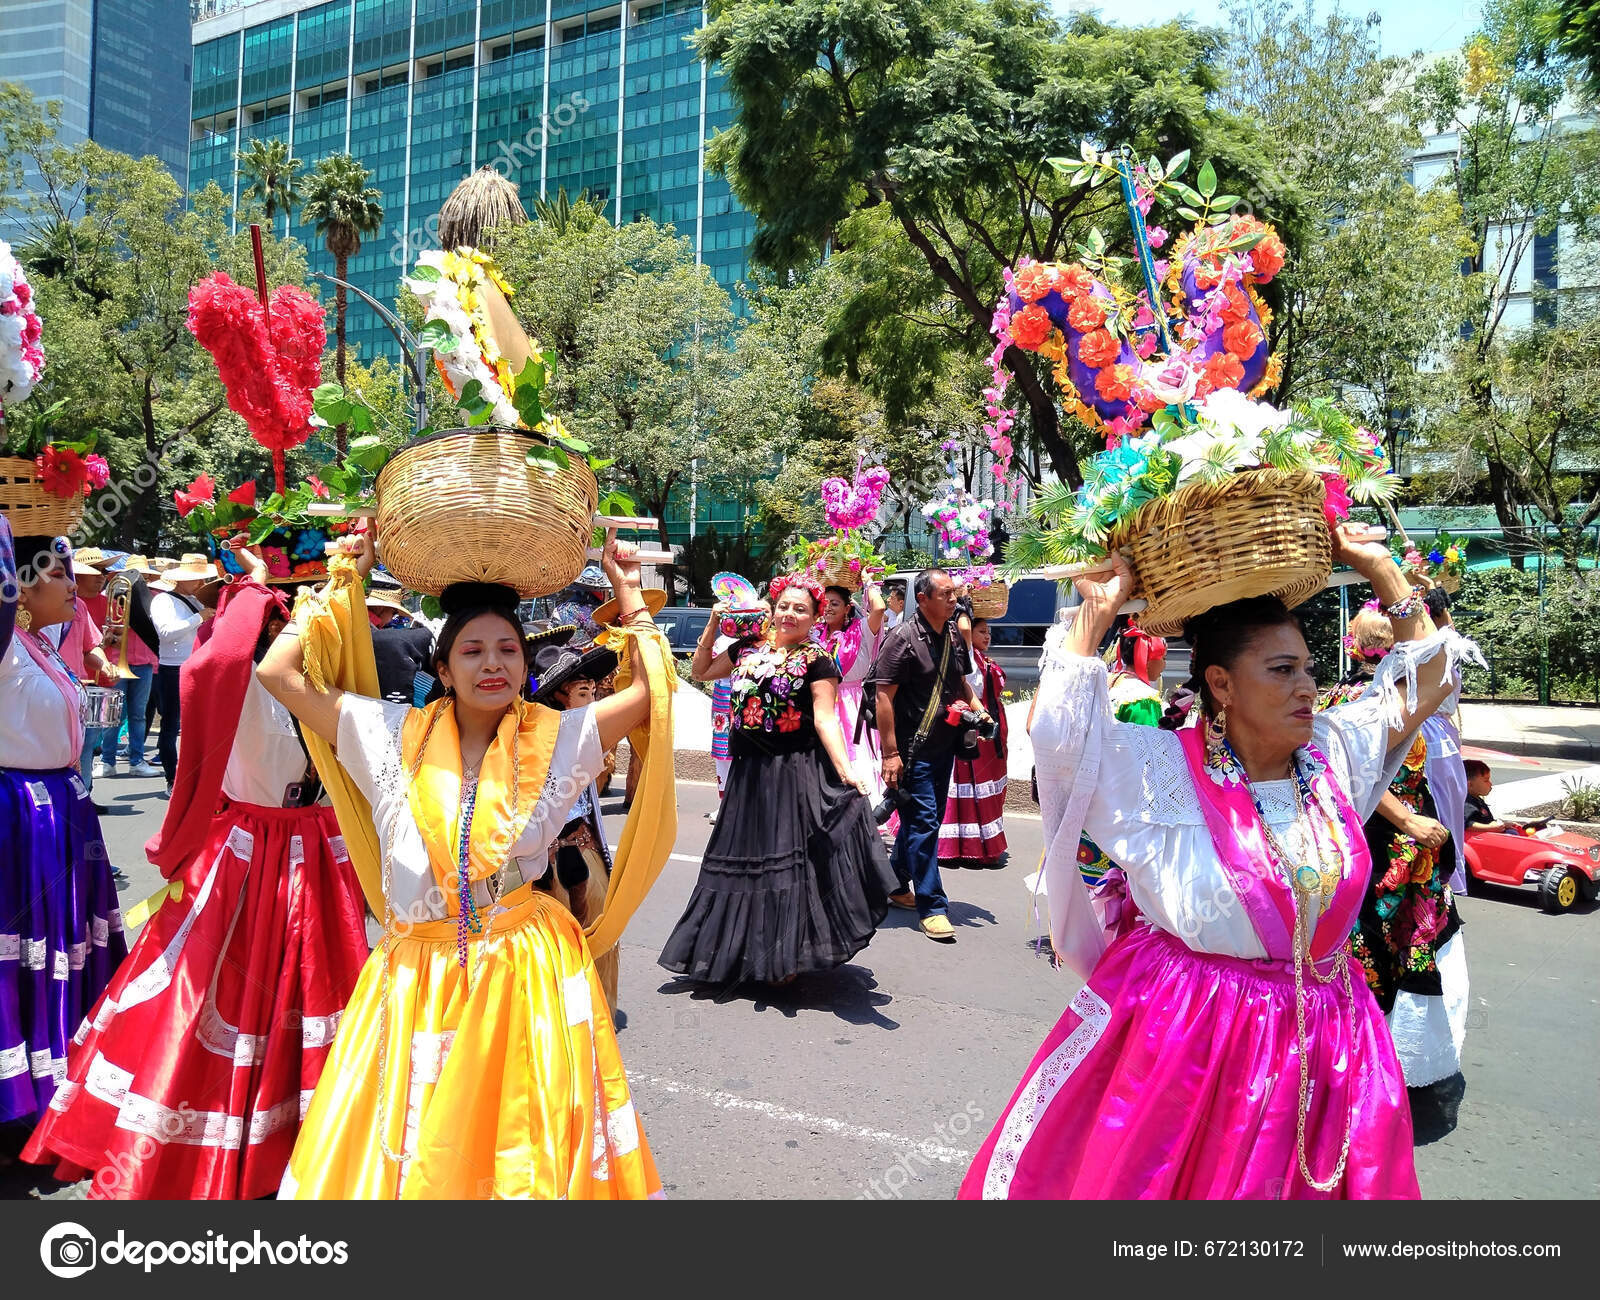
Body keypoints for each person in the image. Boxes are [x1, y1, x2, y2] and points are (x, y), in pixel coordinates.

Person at [961, 525, 1477, 1199]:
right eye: (1283, 670)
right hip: (1194, 1034)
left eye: (1310, 670)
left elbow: (1431, 682)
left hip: (1331, 1035)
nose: (1307, 689)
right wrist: (1101, 610)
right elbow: (1061, 735)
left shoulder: (1331, 756)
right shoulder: (1158, 770)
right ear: (1221, 684)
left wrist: (1379, 566)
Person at [259, 531, 671, 1199]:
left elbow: (655, 695)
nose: (493, 664)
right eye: (472, 651)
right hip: (416, 970)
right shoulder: (388, 734)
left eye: (508, 650)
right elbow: (276, 674)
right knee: (416, 1140)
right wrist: (344, 580)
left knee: (520, 1142)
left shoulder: (560, 737)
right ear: (443, 670)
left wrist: (628, 594)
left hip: (522, 966)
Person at [21, 540, 371, 1198]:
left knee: (317, 991)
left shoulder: (338, 668)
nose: (294, 612)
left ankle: (311, 1135)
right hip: (248, 851)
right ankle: (212, 1138)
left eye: (303, 601)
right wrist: (255, 590)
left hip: (321, 850)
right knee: (215, 998)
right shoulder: (230, 665)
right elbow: (223, 661)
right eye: (285, 605)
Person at [662, 571, 898, 986]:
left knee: (784, 866)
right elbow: (700, 672)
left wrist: (846, 769)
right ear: (772, 609)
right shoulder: (745, 649)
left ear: (814, 618)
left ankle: (783, 956)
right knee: (744, 861)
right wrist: (714, 622)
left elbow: (825, 718)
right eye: (785, 606)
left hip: (794, 769)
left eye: (801, 610)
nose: (790, 614)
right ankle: (743, 949)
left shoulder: (818, 660)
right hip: (748, 774)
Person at [0, 530, 128, 1138]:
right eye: (56, 572)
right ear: (18, 587)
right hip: (23, 811)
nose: (72, 582)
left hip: (62, 807)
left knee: (66, 942)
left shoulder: (40, 645)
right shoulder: (4, 646)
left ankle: (62, 1074)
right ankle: (21, 1098)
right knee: (29, 949)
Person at [1323, 606, 1470, 1092]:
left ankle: (1384, 1060)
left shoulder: (1404, 696)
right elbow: (1352, 770)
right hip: (1386, 842)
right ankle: (1368, 1062)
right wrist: (1406, 818)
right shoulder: (1362, 699)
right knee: (1378, 944)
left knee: (1400, 944)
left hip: (1409, 845)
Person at [869, 568, 991, 942]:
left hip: (944, 746)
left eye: (954, 594)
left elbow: (959, 682)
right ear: (922, 599)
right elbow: (883, 697)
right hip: (910, 751)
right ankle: (932, 906)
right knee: (924, 823)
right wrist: (890, 755)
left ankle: (891, 882)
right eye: (946, 595)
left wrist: (978, 709)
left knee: (926, 821)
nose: (954, 600)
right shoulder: (901, 640)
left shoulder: (954, 635)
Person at [530, 635, 622, 1015]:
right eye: (582, 691)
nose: (592, 699)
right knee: (552, 946)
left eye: (592, 691)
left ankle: (593, 1013)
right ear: (559, 697)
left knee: (597, 934)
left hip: (585, 848)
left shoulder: (589, 737)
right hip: (546, 862)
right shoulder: (535, 739)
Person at [938, 616, 1010, 866]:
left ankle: (979, 844)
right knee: (967, 786)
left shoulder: (982, 659)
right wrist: (965, 602)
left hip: (990, 729)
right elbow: (965, 627)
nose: (987, 636)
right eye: (982, 631)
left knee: (985, 788)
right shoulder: (966, 655)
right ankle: (962, 847)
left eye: (989, 631)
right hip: (971, 728)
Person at [149, 553, 219, 795]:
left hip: (198, 666)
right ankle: (172, 778)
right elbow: (166, 632)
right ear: (180, 579)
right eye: (196, 579)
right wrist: (198, 618)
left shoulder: (197, 602)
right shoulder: (163, 601)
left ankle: (195, 777)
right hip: (173, 669)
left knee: (198, 726)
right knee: (170, 725)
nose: (201, 584)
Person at [818, 581, 889, 801]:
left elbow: (878, 608)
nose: (828, 608)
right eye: (825, 603)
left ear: (848, 608)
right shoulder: (815, 633)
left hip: (851, 702)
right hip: (821, 700)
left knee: (854, 753)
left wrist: (867, 582)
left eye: (835, 603)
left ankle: (861, 807)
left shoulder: (862, 631)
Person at [100, 555, 162, 778]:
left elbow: (158, 633)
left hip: (144, 663)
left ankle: (137, 761)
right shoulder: (114, 595)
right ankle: (107, 761)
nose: (142, 579)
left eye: (145, 576)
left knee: (138, 715)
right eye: (139, 575)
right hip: (117, 661)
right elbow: (105, 628)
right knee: (113, 714)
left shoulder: (158, 599)